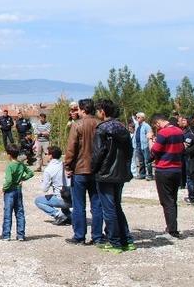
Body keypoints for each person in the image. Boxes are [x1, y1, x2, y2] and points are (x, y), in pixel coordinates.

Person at [91, 99, 134, 253]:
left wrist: (93, 169)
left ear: (103, 111)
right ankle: (127, 240)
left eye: (98, 111)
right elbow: (130, 151)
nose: (97, 113)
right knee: (117, 206)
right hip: (120, 173)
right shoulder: (123, 128)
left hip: (105, 174)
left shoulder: (102, 129)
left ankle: (115, 242)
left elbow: (98, 153)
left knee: (108, 209)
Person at [63, 99, 104, 246]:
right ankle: (98, 236)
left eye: (78, 109)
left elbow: (71, 148)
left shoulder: (77, 125)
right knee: (97, 204)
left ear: (83, 110)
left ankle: (79, 236)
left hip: (80, 170)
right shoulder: (100, 124)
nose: (77, 112)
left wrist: (67, 166)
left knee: (79, 205)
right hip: (97, 170)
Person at [149, 114, 185, 238]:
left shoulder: (163, 133)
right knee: (173, 199)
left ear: (158, 123)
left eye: (155, 125)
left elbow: (154, 152)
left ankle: (172, 229)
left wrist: (150, 140)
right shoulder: (179, 131)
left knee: (166, 200)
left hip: (164, 169)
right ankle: (172, 225)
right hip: (177, 168)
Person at [0, 143, 34, 241]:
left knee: (8, 213)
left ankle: (6, 235)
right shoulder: (21, 164)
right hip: (18, 190)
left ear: (9, 154)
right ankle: (20, 235)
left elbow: (9, 180)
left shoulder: (10, 166)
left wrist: (3, 188)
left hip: (10, 191)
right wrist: (23, 178)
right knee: (19, 212)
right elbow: (31, 173)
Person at [34, 145, 70, 225]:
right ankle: (69, 217)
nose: (45, 156)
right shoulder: (64, 164)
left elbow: (44, 189)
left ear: (51, 156)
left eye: (46, 154)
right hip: (73, 198)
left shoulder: (49, 169)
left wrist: (43, 181)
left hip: (63, 199)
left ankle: (58, 215)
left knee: (38, 201)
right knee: (60, 192)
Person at [179, 116, 194, 205]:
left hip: (190, 156)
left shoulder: (191, 132)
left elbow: (187, 144)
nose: (182, 121)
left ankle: (192, 197)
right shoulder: (184, 131)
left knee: (190, 177)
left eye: (184, 120)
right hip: (185, 156)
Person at [132, 112, 154, 181]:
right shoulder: (137, 125)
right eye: (136, 117)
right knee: (140, 161)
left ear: (142, 118)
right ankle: (142, 174)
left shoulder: (146, 126)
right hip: (138, 146)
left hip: (145, 145)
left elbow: (150, 134)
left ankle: (149, 175)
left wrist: (149, 144)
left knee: (148, 161)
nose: (137, 118)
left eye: (138, 117)